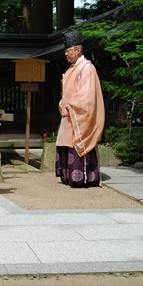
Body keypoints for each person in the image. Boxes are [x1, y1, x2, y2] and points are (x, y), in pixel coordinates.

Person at [55, 30, 105, 187]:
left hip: (78, 114)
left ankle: (83, 177)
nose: (66, 54)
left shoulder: (87, 68)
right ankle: (68, 175)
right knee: (66, 142)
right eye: (65, 51)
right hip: (69, 115)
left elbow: (86, 95)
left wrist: (71, 104)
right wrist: (63, 102)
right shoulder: (71, 69)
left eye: (68, 51)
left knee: (77, 143)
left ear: (78, 49)